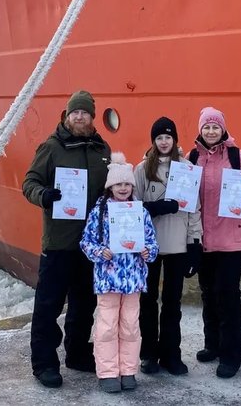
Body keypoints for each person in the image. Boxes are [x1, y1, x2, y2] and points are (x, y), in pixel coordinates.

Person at [22, 90, 112, 389]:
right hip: (59, 242)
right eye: (74, 112)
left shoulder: (102, 149)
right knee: (49, 305)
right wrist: (44, 195)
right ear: (67, 115)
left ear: (91, 117)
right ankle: (45, 363)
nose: (79, 116)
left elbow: (109, 190)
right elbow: (30, 183)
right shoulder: (51, 147)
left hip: (90, 244)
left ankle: (76, 353)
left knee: (84, 304)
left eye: (84, 112)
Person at [189, 106, 241, 379]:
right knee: (208, 293)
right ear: (200, 129)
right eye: (206, 126)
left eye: (215, 126)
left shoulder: (237, 156)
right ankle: (213, 345)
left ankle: (231, 356)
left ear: (223, 129)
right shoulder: (192, 156)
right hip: (204, 239)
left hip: (231, 240)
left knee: (227, 296)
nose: (210, 131)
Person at [80, 153, 159, 393]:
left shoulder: (140, 212)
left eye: (127, 184)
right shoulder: (99, 213)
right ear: (110, 187)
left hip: (134, 280)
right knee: (106, 326)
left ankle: (128, 370)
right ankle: (107, 372)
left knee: (130, 327)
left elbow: (152, 242)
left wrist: (148, 252)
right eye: (118, 184)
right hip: (108, 280)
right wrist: (99, 252)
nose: (123, 188)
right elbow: (86, 242)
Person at [133, 116, 202, 376]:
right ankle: (149, 354)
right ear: (153, 141)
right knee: (147, 301)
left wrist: (195, 244)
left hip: (177, 245)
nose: (164, 141)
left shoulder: (186, 168)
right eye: (159, 137)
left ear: (175, 140)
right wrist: (156, 208)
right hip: (148, 247)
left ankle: (171, 354)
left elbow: (194, 209)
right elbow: (133, 205)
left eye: (168, 137)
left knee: (173, 303)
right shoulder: (141, 170)